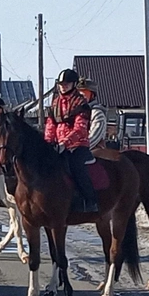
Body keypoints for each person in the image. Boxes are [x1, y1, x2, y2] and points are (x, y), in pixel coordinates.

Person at [45, 69, 98, 213]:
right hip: (59, 144)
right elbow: (50, 124)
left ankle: (89, 200)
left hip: (78, 145)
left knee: (76, 166)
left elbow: (80, 128)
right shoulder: (55, 102)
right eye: (61, 84)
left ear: (74, 84)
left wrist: (66, 143)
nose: (63, 86)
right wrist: (48, 142)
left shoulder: (80, 102)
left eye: (66, 84)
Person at [77, 78, 108, 150]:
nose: (81, 96)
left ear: (92, 95)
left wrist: (81, 149)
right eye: (79, 92)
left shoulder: (97, 113)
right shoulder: (75, 112)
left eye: (85, 93)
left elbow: (94, 137)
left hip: (93, 151)